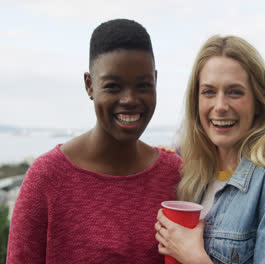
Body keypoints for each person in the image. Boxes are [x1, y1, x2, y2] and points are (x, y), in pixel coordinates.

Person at [7, 19, 181, 264]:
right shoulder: (46, 178)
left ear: (155, 80)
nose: (130, 99)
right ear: (89, 85)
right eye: (113, 86)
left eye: (143, 85)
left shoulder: (175, 174)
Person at [154, 35, 265, 263]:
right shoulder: (197, 177)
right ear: (196, 102)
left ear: (259, 103)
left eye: (235, 92)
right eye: (209, 92)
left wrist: (194, 258)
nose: (220, 106)